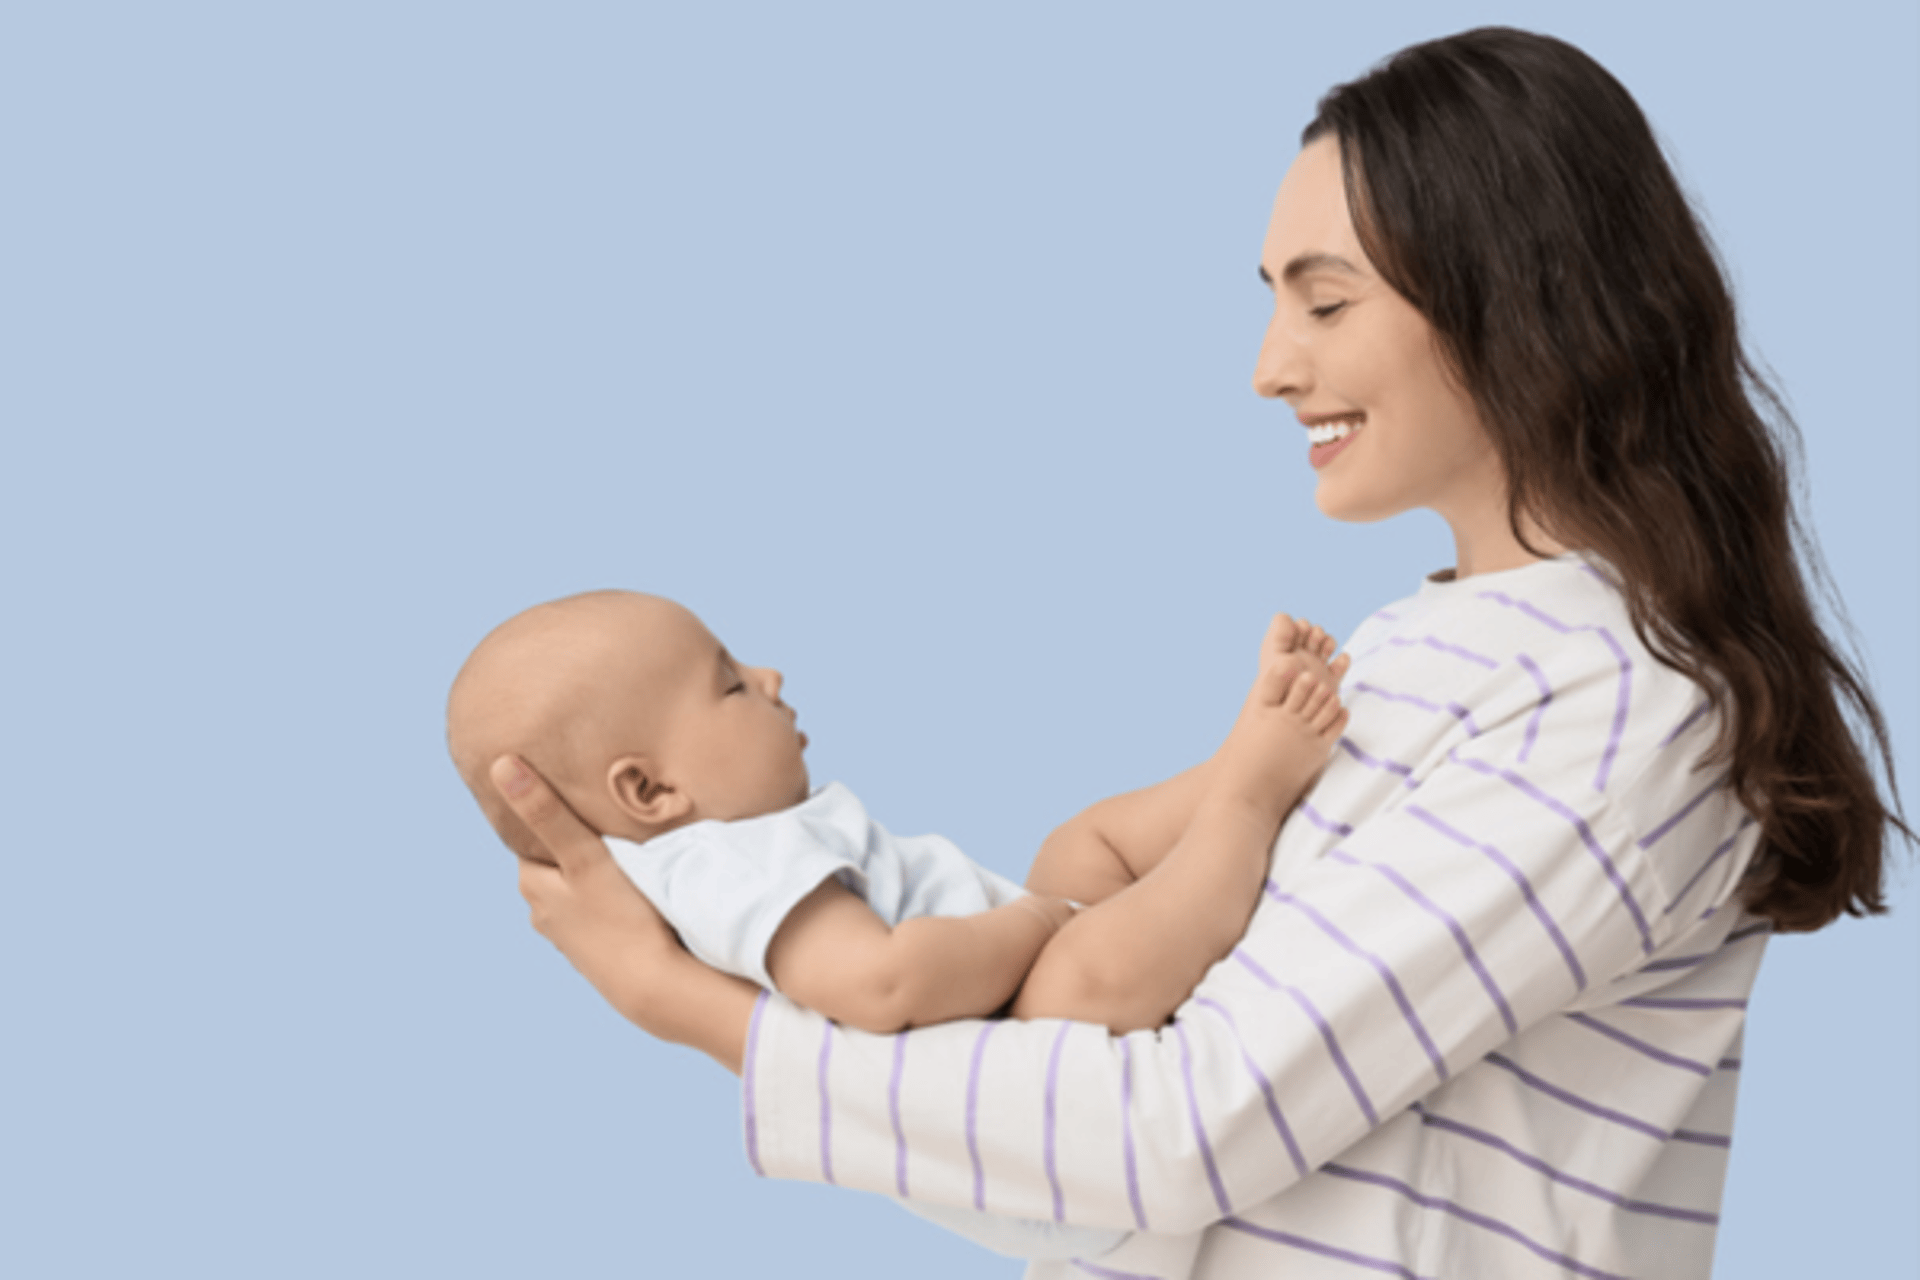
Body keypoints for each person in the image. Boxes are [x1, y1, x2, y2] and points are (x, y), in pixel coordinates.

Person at [486, 27, 1909, 1280]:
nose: (1270, 365)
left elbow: (1180, 1128)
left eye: (1326, 302)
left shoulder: (1619, 707)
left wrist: (694, 1007)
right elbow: (1107, 1075)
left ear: (1519, 299)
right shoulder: (1424, 656)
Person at [447, 589, 1347, 1259]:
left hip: (1014, 1035)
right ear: (649, 790)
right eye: (729, 684)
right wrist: (1037, 922)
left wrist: (1043, 916)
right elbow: (884, 984)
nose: (768, 677)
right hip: (1040, 1131)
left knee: (1082, 844)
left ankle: (1236, 760)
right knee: (1084, 966)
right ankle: (1251, 794)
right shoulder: (728, 866)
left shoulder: (721, 860)